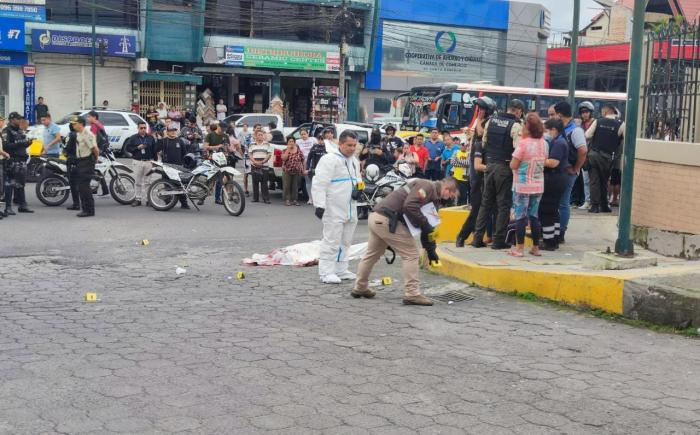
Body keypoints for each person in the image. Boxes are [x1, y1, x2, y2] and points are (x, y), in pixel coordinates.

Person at [351, 177, 458, 305]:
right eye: (451, 195)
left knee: (371, 255)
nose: (449, 198)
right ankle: (412, 294)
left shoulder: (433, 199)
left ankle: (360, 287)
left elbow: (428, 229)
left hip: (377, 218)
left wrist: (431, 251)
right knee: (411, 254)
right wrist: (424, 224)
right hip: (387, 219)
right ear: (446, 188)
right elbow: (410, 206)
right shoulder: (427, 186)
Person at [471, 99, 525, 250]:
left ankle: (477, 238)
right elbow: (518, 149)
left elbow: (484, 143)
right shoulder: (516, 125)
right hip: (504, 168)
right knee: (503, 205)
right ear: (518, 111)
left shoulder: (491, 121)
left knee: (485, 203)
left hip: (489, 165)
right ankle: (498, 240)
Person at [312, 131, 361, 284]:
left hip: (351, 208)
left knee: (346, 241)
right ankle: (326, 272)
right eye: (349, 145)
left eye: (354, 145)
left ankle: (341, 268)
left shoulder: (354, 161)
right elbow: (319, 182)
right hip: (333, 208)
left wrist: (359, 189)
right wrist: (319, 205)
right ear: (340, 144)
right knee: (331, 240)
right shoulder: (329, 159)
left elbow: (358, 178)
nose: (352, 148)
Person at [456, 96, 497, 247]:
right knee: (478, 208)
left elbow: (480, 132)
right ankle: (462, 236)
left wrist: (480, 119)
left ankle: (478, 238)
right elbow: (477, 134)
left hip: (482, 177)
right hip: (477, 177)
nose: (479, 112)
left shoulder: (488, 123)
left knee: (486, 209)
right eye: (479, 110)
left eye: (482, 110)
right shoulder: (479, 139)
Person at [508, 113, 547, 257]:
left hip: (522, 186)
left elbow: (513, 164)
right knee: (534, 216)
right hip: (538, 185)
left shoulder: (523, 144)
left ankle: (519, 248)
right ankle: (536, 248)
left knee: (520, 217)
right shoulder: (544, 143)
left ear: (528, 127)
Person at [555, 101, 588, 244]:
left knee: (563, 202)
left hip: (568, 172)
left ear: (560, 114)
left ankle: (561, 232)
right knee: (558, 202)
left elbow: (583, 150)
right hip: (559, 172)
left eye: (554, 114)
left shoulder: (575, 131)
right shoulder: (563, 128)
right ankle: (556, 231)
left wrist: (576, 168)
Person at [584, 103, 624, 213]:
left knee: (594, 181)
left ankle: (595, 206)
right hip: (608, 157)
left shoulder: (598, 121)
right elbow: (625, 139)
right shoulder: (620, 124)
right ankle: (604, 205)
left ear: (605, 112)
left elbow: (587, 135)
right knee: (605, 180)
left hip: (594, 155)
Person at [540, 118, 569, 251]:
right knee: (553, 211)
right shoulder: (561, 140)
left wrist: (538, 159)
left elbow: (553, 162)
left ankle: (548, 241)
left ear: (554, 130)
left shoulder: (558, 143)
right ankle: (554, 238)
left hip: (553, 179)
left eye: (547, 130)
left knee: (546, 210)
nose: (546, 134)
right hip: (559, 179)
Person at [2, 112, 33, 215]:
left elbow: (22, 143)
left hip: (22, 160)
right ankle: (8, 207)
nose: (20, 120)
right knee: (9, 184)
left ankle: (22, 205)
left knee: (21, 184)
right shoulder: (7, 131)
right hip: (12, 160)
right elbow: (6, 146)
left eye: (20, 119)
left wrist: (28, 143)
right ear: (12, 120)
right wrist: (22, 144)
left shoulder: (20, 130)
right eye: (18, 119)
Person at [71, 117, 100, 217]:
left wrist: (95, 159)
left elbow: (95, 149)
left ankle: (89, 210)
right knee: (81, 187)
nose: (73, 125)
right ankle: (86, 209)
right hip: (80, 161)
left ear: (81, 124)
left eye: (75, 124)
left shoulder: (87, 134)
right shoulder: (79, 134)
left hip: (87, 161)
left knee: (84, 187)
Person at [125, 121, 157, 207]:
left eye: (144, 128)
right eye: (141, 128)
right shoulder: (133, 138)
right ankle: (137, 199)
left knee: (147, 182)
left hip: (148, 162)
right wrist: (137, 148)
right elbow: (127, 148)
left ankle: (147, 199)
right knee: (137, 182)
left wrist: (155, 162)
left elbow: (154, 150)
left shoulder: (150, 138)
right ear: (138, 128)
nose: (143, 129)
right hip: (137, 161)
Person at [158, 125, 191, 209]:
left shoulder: (180, 141)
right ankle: (168, 202)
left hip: (178, 167)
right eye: (171, 130)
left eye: (174, 130)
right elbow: (156, 149)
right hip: (166, 167)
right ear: (167, 131)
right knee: (167, 185)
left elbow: (184, 154)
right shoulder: (163, 141)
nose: (173, 132)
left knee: (180, 186)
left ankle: (184, 203)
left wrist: (184, 165)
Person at [577, 101, 595, 210]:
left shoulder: (595, 123)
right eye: (583, 112)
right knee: (586, 180)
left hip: (592, 154)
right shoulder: (580, 125)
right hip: (584, 155)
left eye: (587, 112)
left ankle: (594, 201)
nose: (585, 114)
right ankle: (587, 201)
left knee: (593, 180)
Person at [62, 117, 81, 211]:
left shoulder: (71, 135)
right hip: (77, 160)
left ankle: (76, 204)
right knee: (77, 183)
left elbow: (66, 147)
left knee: (74, 184)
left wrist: (65, 152)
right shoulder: (78, 134)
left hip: (72, 160)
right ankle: (78, 203)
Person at [248, 129, 272, 204]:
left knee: (264, 182)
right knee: (255, 182)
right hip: (254, 165)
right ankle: (255, 198)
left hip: (264, 165)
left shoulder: (267, 144)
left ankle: (266, 198)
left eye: (261, 135)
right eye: (258, 135)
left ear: (263, 136)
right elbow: (250, 154)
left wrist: (262, 162)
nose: (260, 136)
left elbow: (269, 154)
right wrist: (255, 162)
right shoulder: (252, 144)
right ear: (255, 136)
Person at [281, 136, 305, 206]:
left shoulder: (298, 150)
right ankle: (287, 200)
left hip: (296, 171)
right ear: (287, 143)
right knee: (286, 185)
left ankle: (294, 199)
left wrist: (303, 169)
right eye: (290, 141)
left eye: (292, 141)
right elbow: (283, 159)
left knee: (295, 186)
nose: (291, 143)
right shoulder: (285, 150)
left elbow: (303, 160)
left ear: (295, 142)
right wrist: (288, 150)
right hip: (287, 171)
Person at [296, 128, 317, 202]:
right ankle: (310, 198)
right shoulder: (298, 141)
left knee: (315, 181)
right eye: (302, 134)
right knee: (308, 181)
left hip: (313, 162)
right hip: (304, 163)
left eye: (305, 134)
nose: (303, 136)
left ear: (308, 134)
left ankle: (316, 198)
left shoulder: (313, 139)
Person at [306, 135, 327, 205]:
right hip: (315, 169)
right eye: (319, 139)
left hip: (325, 169)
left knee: (323, 185)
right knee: (314, 184)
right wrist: (307, 168)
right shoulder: (314, 147)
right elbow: (309, 158)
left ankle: (322, 199)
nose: (321, 141)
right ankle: (311, 198)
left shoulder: (328, 147)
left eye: (322, 139)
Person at [450, 138, 470, 205]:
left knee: (463, 196)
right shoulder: (456, 152)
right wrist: (462, 163)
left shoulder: (469, 154)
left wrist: (458, 160)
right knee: (456, 195)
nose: (463, 146)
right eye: (462, 145)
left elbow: (468, 163)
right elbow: (452, 162)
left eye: (465, 145)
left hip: (464, 178)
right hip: (455, 177)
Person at [236, 123, 253, 197]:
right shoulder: (242, 133)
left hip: (254, 156)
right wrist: (242, 154)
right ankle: (245, 190)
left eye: (246, 126)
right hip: (247, 156)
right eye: (244, 126)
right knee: (246, 173)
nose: (245, 127)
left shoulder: (250, 134)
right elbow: (239, 143)